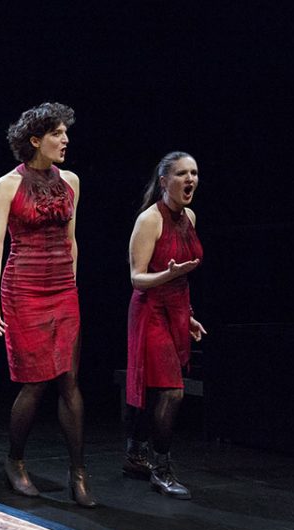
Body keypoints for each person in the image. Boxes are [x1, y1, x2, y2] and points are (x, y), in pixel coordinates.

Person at [0, 103, 97, 507]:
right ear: (35, 140)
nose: (66, 140)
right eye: (57, 134)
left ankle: (78, 473)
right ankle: (14, 460)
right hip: (24, 290)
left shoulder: (71, 181)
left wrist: (73, 286)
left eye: (66, 133)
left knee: (69, 379)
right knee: (35, 382)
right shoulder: (7, 185)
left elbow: (72, 240)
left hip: (63, 289)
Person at [124, 151, 205, 500]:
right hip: (150, 311)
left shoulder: (190, 217)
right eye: (182, 174)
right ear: (164, 181)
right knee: (172, 391)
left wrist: (188, 316)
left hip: (175, 311)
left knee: (156, 390)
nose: (190, 180)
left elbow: (182, 277)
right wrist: (167, 275)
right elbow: (137, 278)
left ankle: (135, 454)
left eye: (194, 173)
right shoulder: (149, 220)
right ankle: (161, 469)